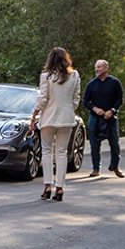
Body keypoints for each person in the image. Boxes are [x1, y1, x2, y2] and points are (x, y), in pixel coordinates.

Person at [29, 46, 80, 201]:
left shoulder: (46, 76)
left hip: (49, 118)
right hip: (66, 118)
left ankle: (47, 186)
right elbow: (76, 98)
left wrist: (34, 116)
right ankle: (60, 188)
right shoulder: (74, 75)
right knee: (62, 152)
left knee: (46, 151)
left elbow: (43, 99)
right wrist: (70, 108)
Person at [81, 58, 125, 178]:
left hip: (110, 117)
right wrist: (95, 109)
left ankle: (115, 166)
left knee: (114, 143)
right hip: (95, 117)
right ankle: (96, 168)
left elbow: (120, 99)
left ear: (106, 68)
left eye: (99, 67)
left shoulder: (115, 82)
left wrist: (112, 111)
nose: (96, 69)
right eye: (96, 67)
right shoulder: (91, 84)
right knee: (94, 144)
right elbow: (85, 101)